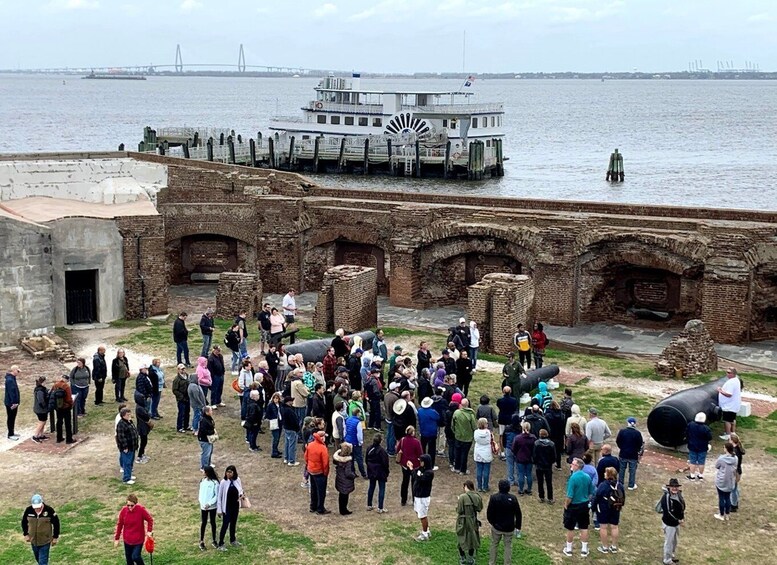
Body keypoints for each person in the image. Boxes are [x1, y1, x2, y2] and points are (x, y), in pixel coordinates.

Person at [563, 457, 595, 557]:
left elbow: (569, 496)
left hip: (573, 505)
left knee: (570, 527)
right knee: (584, 527)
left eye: (573, 464)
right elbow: (591, 492)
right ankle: (584, 550)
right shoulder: (587, 477)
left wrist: (566, 505)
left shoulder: (573, 478)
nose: (571, 465)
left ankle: (568, 549)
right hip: (584, 505)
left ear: (578, 466)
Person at [114, 494, 153, 565]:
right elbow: (120, 524)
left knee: (135, 557)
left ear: (136, 504)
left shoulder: (141, 510)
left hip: (138, 540)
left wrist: (149, 531)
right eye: (128, 505)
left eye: (132, 505)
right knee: (129, 561)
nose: (130, 507)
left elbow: (150, 520)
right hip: (127, 540)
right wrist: (117, 538)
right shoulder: (124, 511)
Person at [22, 493, 60, 565]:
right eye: (35, 507)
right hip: (33, 541)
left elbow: (56, 523)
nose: (37, 508)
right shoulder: (28, 510)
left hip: (45, 541)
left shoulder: (49, 510)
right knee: (38, 560)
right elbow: (24, 522)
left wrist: (55, 537)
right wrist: (26, 534)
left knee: (42, 562)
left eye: (38, 507)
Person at [594, 466, 624, 554]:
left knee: (603, 527)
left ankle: (605, 547)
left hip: (604, 508)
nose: (604, 474)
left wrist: (593, 507)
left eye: (605, 473)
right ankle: (614, 546)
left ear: (608, 475)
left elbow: (597, 496)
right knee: (614, 527)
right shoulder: (620, 485)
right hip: (616, 508)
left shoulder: (603, 485)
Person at [217, 465, 244, 550]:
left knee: (233, 523)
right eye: (227, 472)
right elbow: (220, 496)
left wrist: (241, 495)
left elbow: (240, 490)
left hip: (235, 506)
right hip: (227, 507)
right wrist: (219, 509)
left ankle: (233, 540)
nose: (228, 474)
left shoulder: (237, 480)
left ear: (234, 473)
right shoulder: (223, 482)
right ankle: (220, 543)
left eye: (230, 472)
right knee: (225, 524)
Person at [659, 478, 686, 565]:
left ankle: (671, 555)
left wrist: (682, 518)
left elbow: (682, 508)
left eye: (676, 486)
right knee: (669, 542)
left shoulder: (679, 494)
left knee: (674, 541)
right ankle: (667, 560)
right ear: (669, 487)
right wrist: (679, 520)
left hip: (676, 523)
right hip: (669, 524)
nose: (674, 488)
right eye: (673, 487)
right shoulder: (666, 497)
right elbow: (668, 512)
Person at [456, 480, 483, 565]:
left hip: (463, 521)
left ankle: (463, 558)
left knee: (461, 538)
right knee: (472, 539)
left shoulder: (462, 497)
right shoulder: (477, 496)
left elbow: (459, 510)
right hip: (473, 520)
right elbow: (479, 508)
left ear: (466, 486)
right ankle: (470, 559)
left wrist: (459, 500)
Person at [306, 430, 331, 514]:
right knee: (321, 491)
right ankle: (320, 508)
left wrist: (309, 466)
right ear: (322, 438)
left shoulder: (310, 445)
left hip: (311, 470)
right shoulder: (323, 448)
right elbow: (325, 463)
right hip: (319, 472)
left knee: (313, 489)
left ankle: (313, 506)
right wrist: (326, 472)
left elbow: (306, 457)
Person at [397, 425, 423, 506]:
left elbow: (397, 449)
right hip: (414, 465)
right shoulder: (416, 442)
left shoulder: (403, 440)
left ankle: (403, 500)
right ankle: (415, 499)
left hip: (404, 464)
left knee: (405, 481)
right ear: (412, 432)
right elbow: (420, 453)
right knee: (414, 482)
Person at [616, 417, 644, 489]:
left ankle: (620, 483)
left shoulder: (622, 431)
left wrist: (621, 447)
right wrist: (636, 450)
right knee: (632, 470)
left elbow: (618, 441)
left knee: (622, 469)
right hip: (633, 455)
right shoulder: (637, 433)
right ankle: (631, 485)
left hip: (623, 453)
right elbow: (640, 444)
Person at [412, 453, 435, 542]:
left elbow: (420, 479)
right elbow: (414, 473)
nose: (420, 463)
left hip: (423, 497)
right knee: (419, 512)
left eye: (421, 461)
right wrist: (412, 468)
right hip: (418, 496)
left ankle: (425, 533)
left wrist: (418, 475)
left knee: (423, 516)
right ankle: (427, 530)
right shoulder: (421, 469)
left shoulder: (429, 473)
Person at [453, 398, 478, 475]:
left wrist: (455, 432)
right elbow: (474, 426)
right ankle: (463, 470)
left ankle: (456, 467)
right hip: (468, 437)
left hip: (458, 436)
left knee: (457, 452)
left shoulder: (456, 413)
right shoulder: (470, 414)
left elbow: (452, 424)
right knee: (464, 453)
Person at [366, 433, 390, 513]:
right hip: (380, 472)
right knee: (381, 489)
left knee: (371, 487)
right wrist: (386, 472)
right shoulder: (382, 451)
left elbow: (366, 460)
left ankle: (369, 505)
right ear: (380, 441)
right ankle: (380, 507)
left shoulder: (369, 449)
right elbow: (385, 463)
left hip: (372, 471)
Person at [685, 412, 712, 481]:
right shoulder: (706, 428)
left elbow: (686, 432)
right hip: (703, 447)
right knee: (701, 462)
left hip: (692, 446)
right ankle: (700, 475)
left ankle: (692, 475)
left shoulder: (691, 425)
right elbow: (710, 437)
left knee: (692, 461)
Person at [714, 442, 737, 521]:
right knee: (727, 498)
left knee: (721, 498)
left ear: (726, 449)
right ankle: (727, 514)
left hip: (721, 480)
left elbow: (717, 466)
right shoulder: (735, 458)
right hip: (730, 480)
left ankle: (721, 514)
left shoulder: (721, 458)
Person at [717, 367, 742, 440]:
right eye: (726, 372)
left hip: (729, 405)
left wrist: (720, 390)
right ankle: (733, 432)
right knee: (732, 419)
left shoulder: (731, 382)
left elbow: (729, 394)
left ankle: (728, 434)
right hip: (733, 405)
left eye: (729, 372)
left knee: (727, 420)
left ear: (733, 374)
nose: (727, 374)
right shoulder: (736, 380)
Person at [199, 465, 219, 551]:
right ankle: (201, 541)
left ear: (207, 472)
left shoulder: (215, 483)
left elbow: (216, 496)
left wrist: (209, 504)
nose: (202, 472)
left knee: (212, 522)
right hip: (203, 507)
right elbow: (200, 493)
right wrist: (202, 503)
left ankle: (214, 540)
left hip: (212, 507)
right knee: (203, 523)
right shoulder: (202, 481)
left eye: (203, 471)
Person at [512, 422, 536, 496]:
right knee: (529, 474)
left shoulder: (518, 438)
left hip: (520, 458)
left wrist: (517, 454)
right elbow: (535, 449)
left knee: (521, 474)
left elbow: (513, 448)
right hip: (529, 458)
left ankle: (521, 490)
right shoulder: (533, 438)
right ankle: (529, 489)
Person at [533, 428, 557, 503]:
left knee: (540, 482)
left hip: (539, 466)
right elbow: (554, 456)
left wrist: (536, 462)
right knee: (549, 482)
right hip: (548, 466)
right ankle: (550, 498)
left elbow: (534, 455)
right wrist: (551, 462)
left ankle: (541, 497)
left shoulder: (536, 443)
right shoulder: (551, 444)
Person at [116, 407, 139, 484]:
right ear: (123, 415)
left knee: (131, 462)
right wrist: (125, 447)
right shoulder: (121, 424)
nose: (130, 416)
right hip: (127, 448)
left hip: (132, 446)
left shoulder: (129, 421)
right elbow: (121, 437)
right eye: (128, 414)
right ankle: (126, 479)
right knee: (127, 462)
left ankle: (129, 475)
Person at [472, 417, 495, 492]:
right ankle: (485, 486)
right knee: (486, 470)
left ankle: (479, 486)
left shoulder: (476, 432)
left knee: (479, 469)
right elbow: (491, 440)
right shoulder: (488, 432)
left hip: (478, 451)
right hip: (486, 451)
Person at [418, 396, 441, 469]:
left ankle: (422, 462)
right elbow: (438, 417)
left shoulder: (420, 411)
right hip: (432, 433)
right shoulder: (432, 412)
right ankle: (431, 465)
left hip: (423, 431)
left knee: (422, 448)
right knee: (431, 449)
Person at [51, 375, 75, 444]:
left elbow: (52, 394)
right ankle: (69, 439)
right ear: (67, 380)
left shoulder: (55, 385)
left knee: (59, 421)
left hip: (58, 407)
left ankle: (59, 438)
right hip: (66, 407)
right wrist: (71, 404)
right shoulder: (66, 386)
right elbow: (69, 398)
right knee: (68, 423)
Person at [334, 441, 356, 515]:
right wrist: (353, 475)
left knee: (341, 495)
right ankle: (344, 510)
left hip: (339, 479)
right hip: (346, 482)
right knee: (345, 497)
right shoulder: (348, 462)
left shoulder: (338, 459)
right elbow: (348, 473)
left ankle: (341, 509)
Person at [545, 400, 566, 470]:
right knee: (558, 451)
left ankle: (550, 465)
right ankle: (559, 465)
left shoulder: (548, 415)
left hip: (551, 435)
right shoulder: (562, 415)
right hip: (559, 435)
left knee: (550, 450)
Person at [280, 396, 300, 465]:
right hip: (292, 429)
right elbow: (294, 421)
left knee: (287, 443)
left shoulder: (283, 408)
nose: (292, 402)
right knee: (292, 445)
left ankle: (286, 458)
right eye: (291, 401)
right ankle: (291, 461)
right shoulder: (289, 410)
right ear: (288, 402)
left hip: (286, 428)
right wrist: (297, 428)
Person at [172, 364, 191, 433]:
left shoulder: (188, 376)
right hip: (181, 399)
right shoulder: (177, 379)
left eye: (184, 368)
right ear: (178, 370)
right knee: (181, 413)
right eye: (181, 369)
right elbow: (174, 390)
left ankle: (186, 425)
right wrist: (181, 397)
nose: (183, 370)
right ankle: (179, 427)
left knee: (187, 412)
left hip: (188, 397)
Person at [4, 365, 21, 441]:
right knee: (11, 418)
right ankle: (10, 434)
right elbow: (11, 392)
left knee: (13, 418)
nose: (18, 372)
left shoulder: (12, 378)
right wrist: (14, 402)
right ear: (13, 370)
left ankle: (12, 432)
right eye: (17, 371)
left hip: (13, 402)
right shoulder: (10, 380)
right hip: (11, 403)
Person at [729, 433, 745, 512]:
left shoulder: (734, 452)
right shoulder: (738, 448)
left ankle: (734, 505)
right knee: (735, 487)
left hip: (735, 472)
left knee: (733, 489)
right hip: (739, 471)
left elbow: (734, 464)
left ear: (732, 441)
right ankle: (735, 502)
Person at [31, 377, 49, 443]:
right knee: (41, 422)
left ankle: (41, 435)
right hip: (40, 409)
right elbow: (41, 400)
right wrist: (45, 406)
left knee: (43, 421)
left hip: (41, 409)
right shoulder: (40, 390)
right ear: (43, 382)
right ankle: (35, 436)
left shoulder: (41, 389)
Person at [265, 392, 283, 458]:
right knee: (275, 437)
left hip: (280, 422)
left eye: (277, 398)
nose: (276, 400)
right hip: (274, 422)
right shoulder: (270, 405)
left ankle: (276, 449)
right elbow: (267, 414)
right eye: (275, 398)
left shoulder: (281, 404)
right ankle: (274, 452)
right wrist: (272, 418)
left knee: (278, 438)